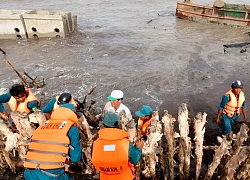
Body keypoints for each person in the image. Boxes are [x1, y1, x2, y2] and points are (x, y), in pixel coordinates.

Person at [23, 105, 82, 180]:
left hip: (29, 171)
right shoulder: (71, 129)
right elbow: (75, 158)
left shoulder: (42, 126)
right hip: (51, 173)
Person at [91, 113, 143, 180]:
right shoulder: (125, 143)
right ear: (119, 125)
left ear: (103, 126)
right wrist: (138, 148)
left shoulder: (95, 144)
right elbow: (135, 159)